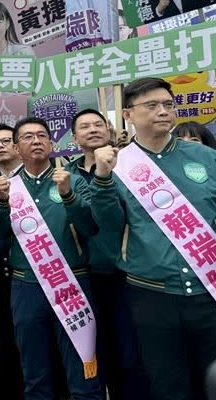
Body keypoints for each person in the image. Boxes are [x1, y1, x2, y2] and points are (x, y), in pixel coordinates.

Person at [89, 78, 216, 400]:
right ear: (128, 114)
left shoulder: (206, 157)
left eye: (168, 105)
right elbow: (108, 226)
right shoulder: (117, 164)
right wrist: (102, 179)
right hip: (152, 296)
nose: (163, 111)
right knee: (169, 386)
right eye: (151, 106)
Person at [0, 117, 104, 400]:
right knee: (34, 370)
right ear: (16, 147)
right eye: (28, 137)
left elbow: (91, 228)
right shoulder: (5, 187)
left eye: (42, 135)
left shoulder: (73, 180)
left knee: (83, 367)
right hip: (26, 287)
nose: (36, 141)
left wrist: (69, 196)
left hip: (73, 282)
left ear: (51, 144)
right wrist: (1, 203)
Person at [67, 109, 149, 400]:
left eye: (99, 124)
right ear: (75, 138)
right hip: (85, 277)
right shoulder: (67, 175)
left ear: (110, 129)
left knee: (132, 353)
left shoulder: (131, 165)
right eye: (84, 127)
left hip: (128, 274)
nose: (93, 130)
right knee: (98, 353)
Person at [0, 123, 24, 400]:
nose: (0, 146)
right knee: (1, 340)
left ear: (18, 145)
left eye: (6, 141)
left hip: (30, 272)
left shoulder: (35, 178)